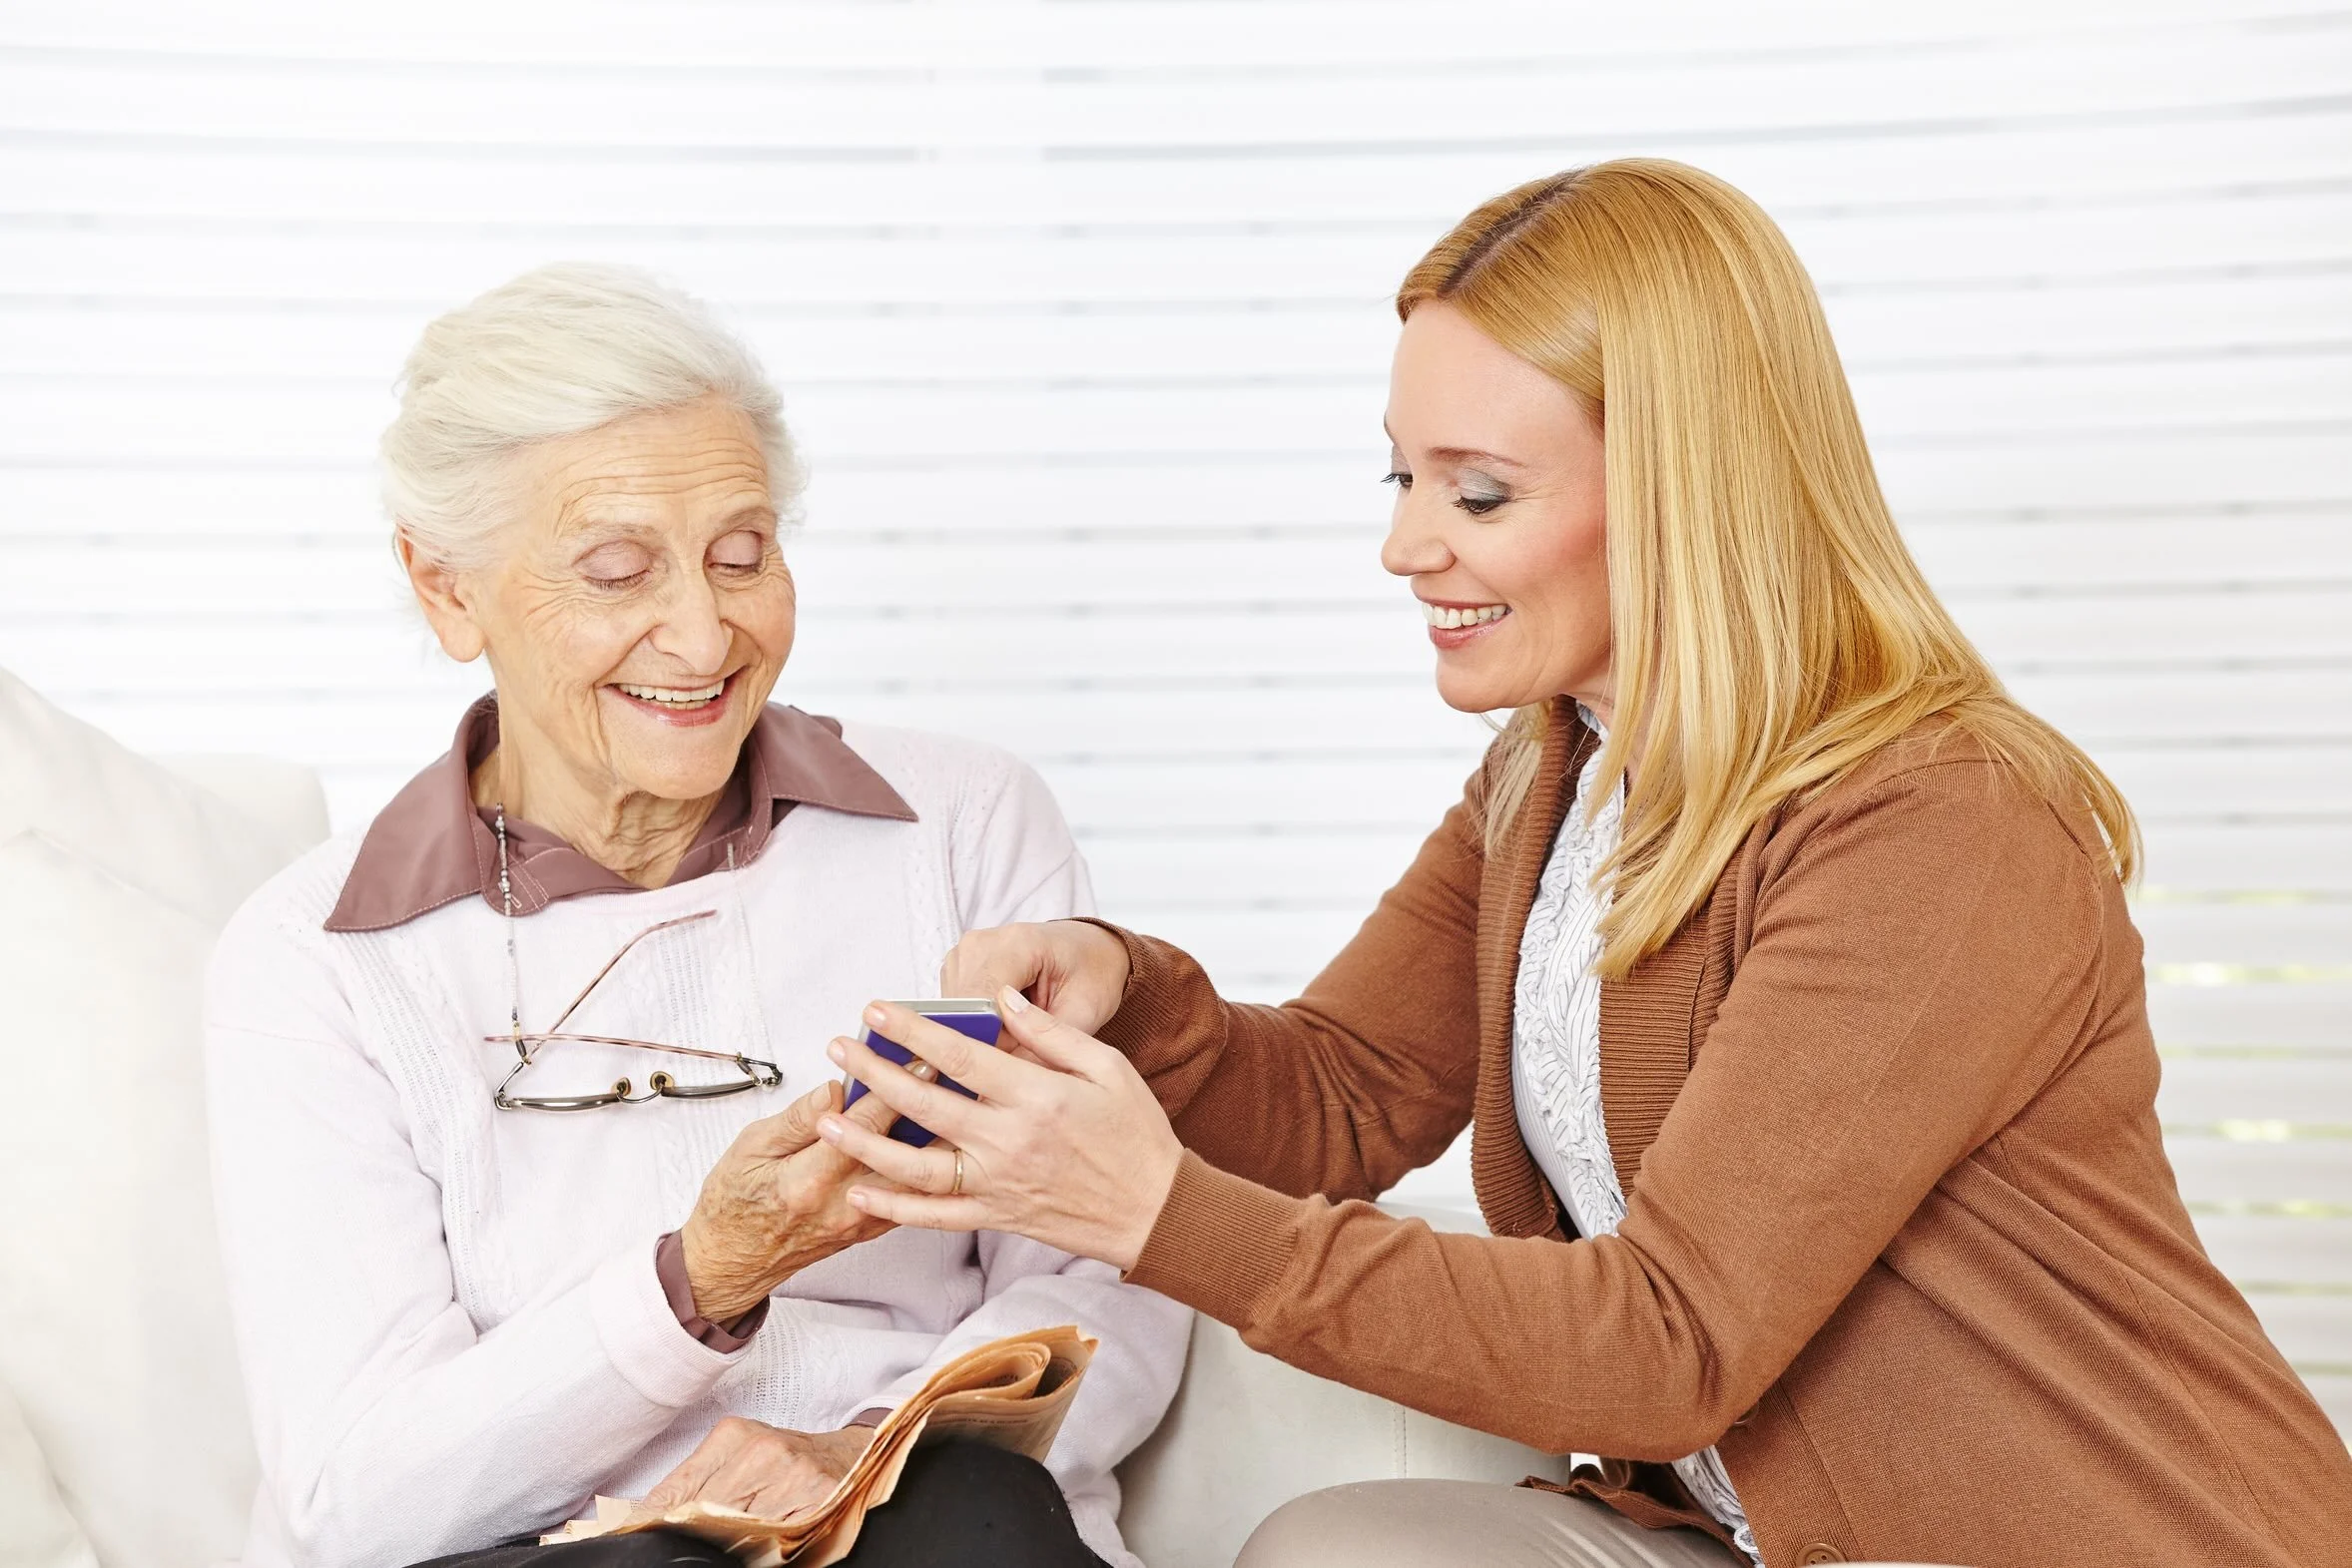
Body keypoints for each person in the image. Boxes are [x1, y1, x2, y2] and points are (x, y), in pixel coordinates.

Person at [813, 162, 2352, 1568]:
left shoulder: (1930, 823)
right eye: (1399, 478)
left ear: (1689, 487)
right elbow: (1346, 1093)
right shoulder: (1551, 774)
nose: (1409, 545)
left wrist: (1154, 1209)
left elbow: (1666, 1340)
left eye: (1477, 490)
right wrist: (1125, 995)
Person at [203, 263, 1189, 1568]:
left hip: (935, 1520)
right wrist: (698, 1279)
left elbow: (1107, 1277)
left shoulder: (961, 823)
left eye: (743, 554)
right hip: (546, 1550)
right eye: (617, 572)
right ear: (447, 589)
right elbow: (359, 1493)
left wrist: (867, 1455)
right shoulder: (312, 959)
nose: (702, 630)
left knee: (971, 1515)